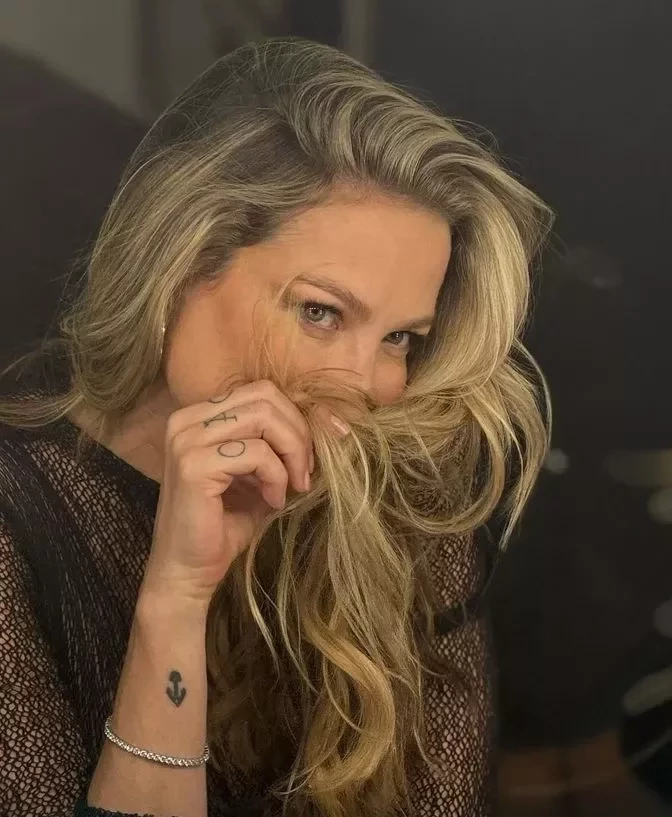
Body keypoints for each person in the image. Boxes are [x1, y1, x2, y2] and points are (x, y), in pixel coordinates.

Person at [0, 39, 551, 817]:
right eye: (320, 312)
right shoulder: (15, 524)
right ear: (181, 267)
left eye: (400, 338)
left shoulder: (408, 516)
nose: (363, 385)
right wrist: (176, 598)